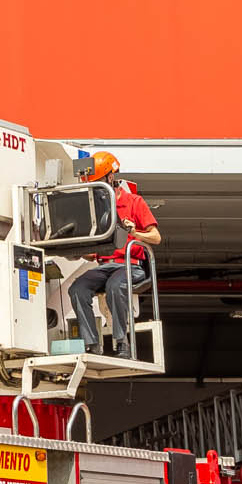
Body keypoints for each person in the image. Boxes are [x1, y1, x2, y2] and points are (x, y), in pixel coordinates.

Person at [68, 150, 160, 358]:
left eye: (98, 182)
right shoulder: (95, 208)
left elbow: (156, 237)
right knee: (77, 289)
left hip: (131, 265)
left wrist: (134, 232)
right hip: (105, 266)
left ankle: (122, 342)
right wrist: (80, 252)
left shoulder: (134, 202)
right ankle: (92, 343)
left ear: (110, 177)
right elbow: (92, 251)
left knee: (115, 286)